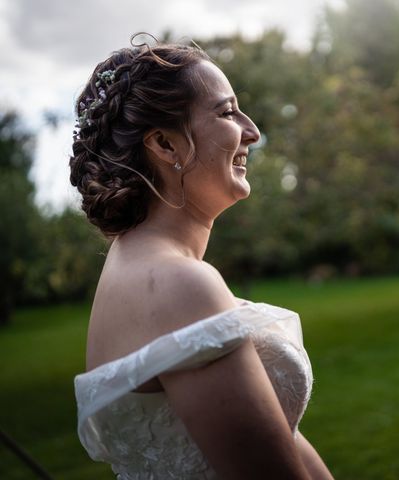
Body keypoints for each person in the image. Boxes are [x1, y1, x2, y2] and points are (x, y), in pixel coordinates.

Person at [71, 38, 333, 479]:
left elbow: (279, 437)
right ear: (165, 145)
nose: (252, 131)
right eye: (228, 113)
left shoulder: (138, 268)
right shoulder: (174, 285)